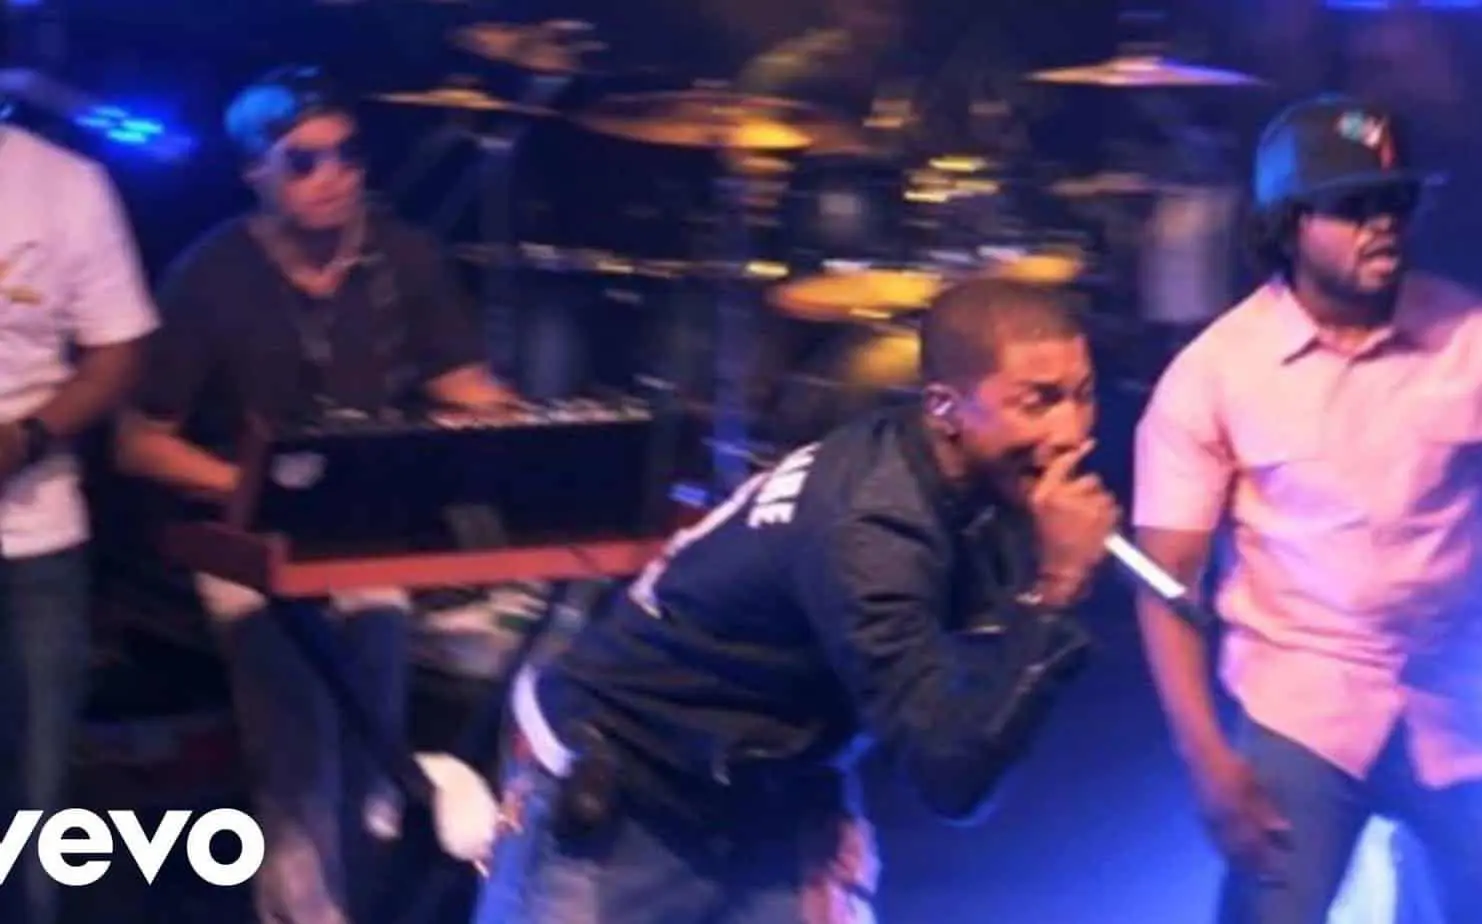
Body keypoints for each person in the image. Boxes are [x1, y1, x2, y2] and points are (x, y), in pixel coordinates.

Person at [474, 276, 1118, 924]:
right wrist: (1056, 588)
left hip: (765, 790)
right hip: (626, 784)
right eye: (1038, 402)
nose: (1071, 432)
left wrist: (829, 798)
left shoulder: (970, 477)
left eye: (1083, 396)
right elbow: (952, 777)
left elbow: (943, 695)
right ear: (945, 407)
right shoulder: (871, 530)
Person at [113, 65, 516, 924]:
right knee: (299, 744)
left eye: (347, 154)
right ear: (253, 172)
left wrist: (526, 439)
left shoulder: (404, 256)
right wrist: (254, 485)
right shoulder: (210, 277)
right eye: (303, 161)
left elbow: (466, 387)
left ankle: (362, 898)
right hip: (242, 535)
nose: (332, 176)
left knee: (371, 741)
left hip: (362, 533)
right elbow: (139, 442)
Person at [1133, 94, 1482, 923]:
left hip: (1454, 700)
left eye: (1395, 200)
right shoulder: (1215, 373)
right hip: (1306, 707)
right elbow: (1164, 584)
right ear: (1288, 225)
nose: (1384, 223)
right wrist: (1207, 762)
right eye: (1353, 206)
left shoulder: (1468, 336)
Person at [0, 118, 158, 924]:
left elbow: (118, 349)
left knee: (34, 799)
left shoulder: (65, 182)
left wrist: (28, 436)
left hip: (34, 537)